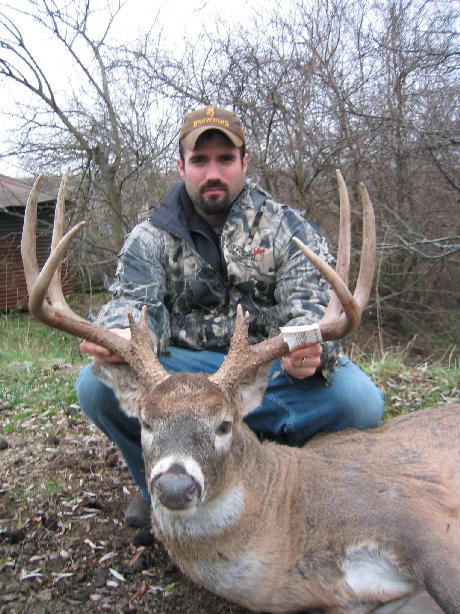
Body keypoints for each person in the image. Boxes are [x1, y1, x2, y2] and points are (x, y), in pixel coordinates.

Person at [76, 106, 384, 528]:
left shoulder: (287, 228)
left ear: (244, 163)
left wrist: (308, 346)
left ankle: (285, 481)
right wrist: (123, 334)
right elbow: (135, 302)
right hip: (183, 378)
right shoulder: (149, 237)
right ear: (181, 167)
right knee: (96, 386)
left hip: (265, 373)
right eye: (200, 161)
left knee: (358, 401)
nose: (213, 173)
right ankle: (155, 485)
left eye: (225, 159)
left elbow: (312, 306)